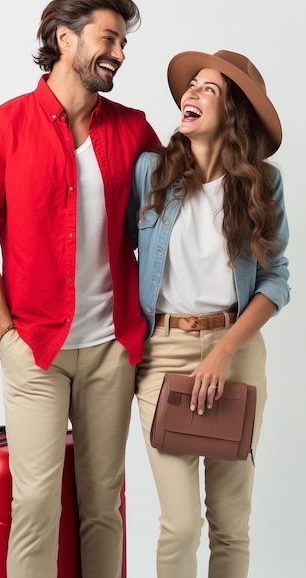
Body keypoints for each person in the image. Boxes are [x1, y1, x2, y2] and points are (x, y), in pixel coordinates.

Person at [0, 0, 159, 578]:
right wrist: (4, 332)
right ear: (64, 38)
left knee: (104, 508)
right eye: (109, 38)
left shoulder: (134, 131)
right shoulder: (2, 126)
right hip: (36, 347)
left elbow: (170, 215)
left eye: (123, 41)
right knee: (36, 504)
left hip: (109, 347)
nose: (119, 52)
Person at [128, 50, 290, 578]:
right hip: (164, 353)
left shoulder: (263, 184)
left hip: (235, 353)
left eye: (209, 90)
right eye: (190, 86)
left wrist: (224, 351)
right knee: (180, 526)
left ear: (234, 112)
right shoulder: (152, 172)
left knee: (229, 523)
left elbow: (275, 279)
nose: (190, 94)